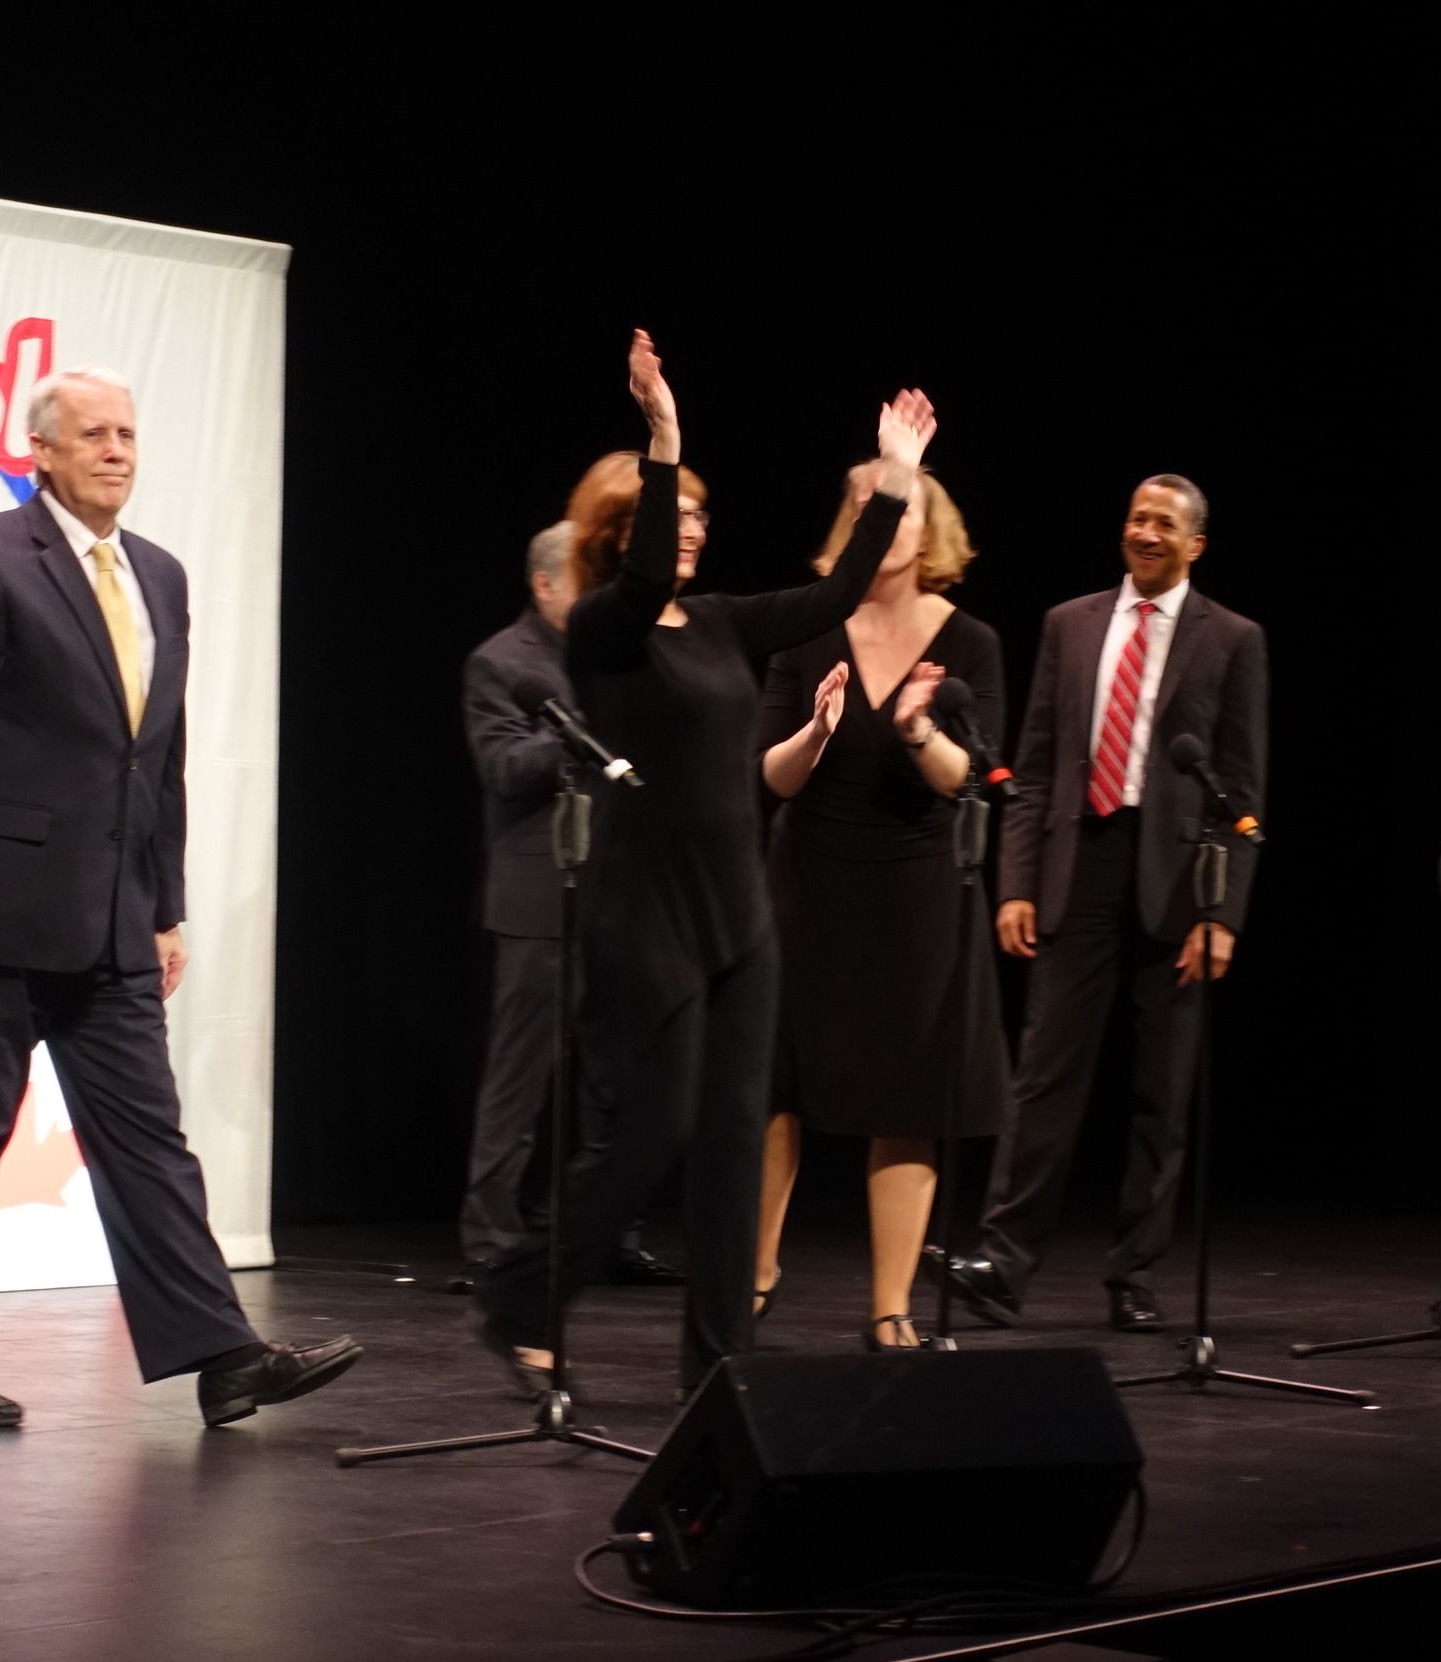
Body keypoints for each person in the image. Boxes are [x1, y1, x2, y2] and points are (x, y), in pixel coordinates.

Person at [0, 365, 361, 1428]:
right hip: (0, 912)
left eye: (127, 435)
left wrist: (162, 903)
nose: (115, 450)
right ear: (41, 451)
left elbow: (159, 752)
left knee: (150, 1137)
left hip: (113, 916)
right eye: (93, 434)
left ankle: (223, 1356)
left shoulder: (159, 573)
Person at [470, 331, 935, 1393]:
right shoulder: (605, 631)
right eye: (669, 517)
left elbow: (836, 594)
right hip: (646, 917)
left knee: (732, 1142)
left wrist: (894, 480)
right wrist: (665, 437)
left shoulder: (725, 622)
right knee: (653, 1132)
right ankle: (520, 1293)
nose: (689, 531)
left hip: (738, 918)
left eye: (696, 518)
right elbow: (637, 585)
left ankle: (720, 1365)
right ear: (619, 532)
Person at [930, 475, 1265, 1332]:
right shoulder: (1069, 623)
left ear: (1196, 544)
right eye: (1137, 518)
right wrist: (1017, 883)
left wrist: (1221, 914)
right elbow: (1035, 763)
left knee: (1162, 1089)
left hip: (1178, 880)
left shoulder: (1233, 638)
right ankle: (1002, 1266)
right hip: (1078, 863)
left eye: (1165, 524)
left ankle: (1135, 1275)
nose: (1145, 532)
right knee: (1043, 1075)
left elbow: (1240, 790)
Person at [753, 469, 1007, 1351]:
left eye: (904, 508)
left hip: (916, 891)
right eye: (870, 506)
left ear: (932, 528)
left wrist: (916, 731)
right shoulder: (806, 628)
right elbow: (771, 775)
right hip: (808, 882)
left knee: (908, 1090)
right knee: (774, 1081)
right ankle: (753, 1274)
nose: (888, 520)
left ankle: (890, 1306)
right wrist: (816, 734)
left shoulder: (970, 641)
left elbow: (967, 779)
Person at [456, 523, 679, 1293]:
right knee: (520, 1079)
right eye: (588, 580)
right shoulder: (502, 661)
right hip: (537, 895)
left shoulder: (618, 652)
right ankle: (491, 1242)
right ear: (546, 584)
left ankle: (606, 1233)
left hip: (623, 890)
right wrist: (586, 738)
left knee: (616, 1076)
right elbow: (503, 765)